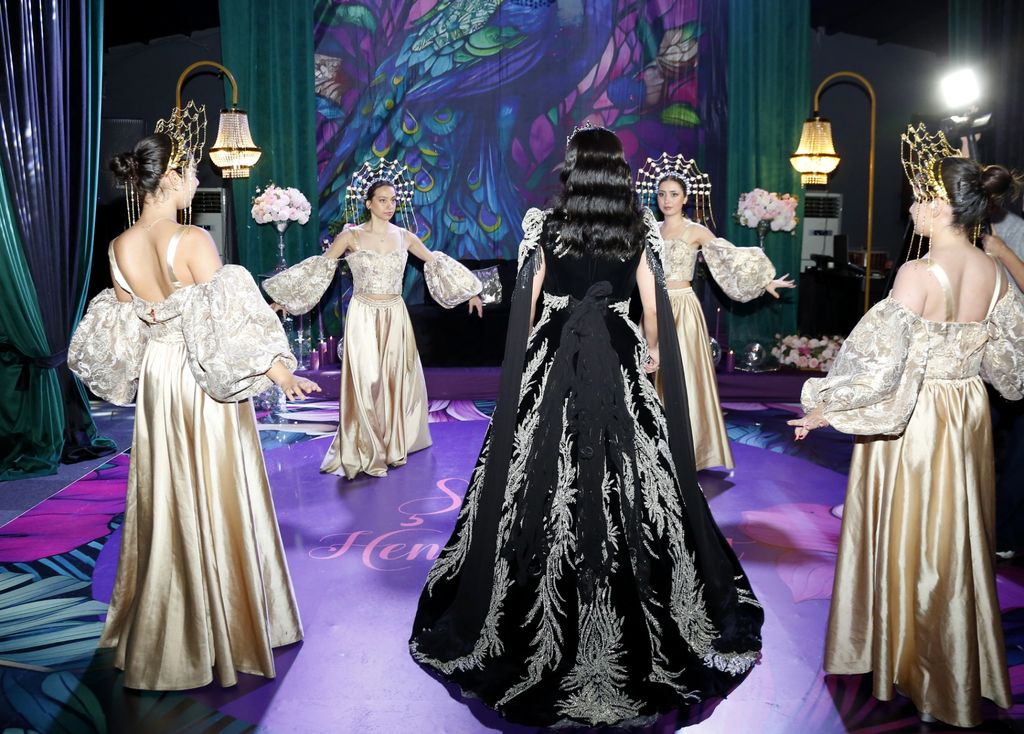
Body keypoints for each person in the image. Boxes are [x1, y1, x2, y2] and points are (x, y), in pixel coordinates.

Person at [408, 127, 763, 728]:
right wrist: (652, 354)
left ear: (572, 169)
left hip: (555, 355)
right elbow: (652, 305)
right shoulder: (638, 229)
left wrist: (526, 357)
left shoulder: (546, 225)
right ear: (618, 172)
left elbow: (527, 300)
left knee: (535, 469)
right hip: (618, 352)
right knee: (638, 469)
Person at [68, 102, 318, 690]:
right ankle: (222, 626)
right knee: (216, 487)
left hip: (159, 379)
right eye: (193, 173)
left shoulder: (119, 247)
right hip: (199, 379)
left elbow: (125, 327)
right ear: (173, 177)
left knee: (167, 493)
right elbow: (228, 325)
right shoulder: (192, 239)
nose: (198, 181)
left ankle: (167, 620)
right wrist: (278, 369)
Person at [789, 124, 1024, 728]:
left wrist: (824, 408)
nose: (912, 208)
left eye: (919, 198)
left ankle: (900, 654)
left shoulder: (917, 274)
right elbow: (1010, 367)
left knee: (908, 531)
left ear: (943, 205)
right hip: (967, 413)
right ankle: (949, 659)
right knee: (954, 535)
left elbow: (879, 368)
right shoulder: (995, 273)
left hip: (916, 417)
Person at [263, 162, 484, 479]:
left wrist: (470, 292)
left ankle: (392, 443)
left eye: (393, 200)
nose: (389, 205)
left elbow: (435, 263)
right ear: (368, 203)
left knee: (394, 380)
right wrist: (285, 300)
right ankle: (366, 448)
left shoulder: (405, 237)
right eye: (382, 200)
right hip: (363, 316)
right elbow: (320, 269)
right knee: (367, 381)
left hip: (395, 316)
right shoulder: (351, 236)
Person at [636, 155, 794, 470]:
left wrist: (764, 282)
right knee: (649, 375)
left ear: (685, 198)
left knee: (684, 377)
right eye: (662, 194)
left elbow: (729, 259)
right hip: (652, 306)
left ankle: (688, 451)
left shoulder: (695, 231)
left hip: (683, 308)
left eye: (674, 194)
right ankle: (652, 448)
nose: (667, 200)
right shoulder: (649, 230)